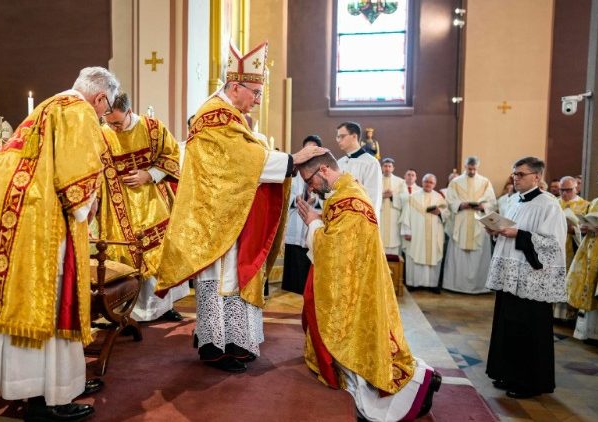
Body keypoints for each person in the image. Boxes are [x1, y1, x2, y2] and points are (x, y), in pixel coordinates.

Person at [0, 67, 120, 421]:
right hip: (40, 221)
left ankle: (58, 382)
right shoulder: (79, 112)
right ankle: (49, 395)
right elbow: (77, 181)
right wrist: (86, 208)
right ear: (101, 98)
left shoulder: (47, 106)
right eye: (105, 111)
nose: (103, 116)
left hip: (7, 215)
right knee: (49, 299)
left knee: (18, 301)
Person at [155, 41, 326, 373]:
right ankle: (214, 346)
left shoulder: (231, 116)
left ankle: (233, 340)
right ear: (235, 86)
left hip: (230, 211)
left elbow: (244, 158)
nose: (258, 100)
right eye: (255, 92)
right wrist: (293, 159)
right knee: (220, 279)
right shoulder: (215, 116)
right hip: (215, 216)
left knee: (233, 278)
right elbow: (240, 161)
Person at [295, 152, 441, 421]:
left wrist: (314, 222)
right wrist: (318, 220)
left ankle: (418, 384)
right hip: (356, 278)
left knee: (357, 340)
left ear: (324, 170)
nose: (310, 188)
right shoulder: (344, 192)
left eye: (310, 180)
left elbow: (335, 250)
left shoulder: (349, 200)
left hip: (357, 286)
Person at [99, 92, 188, 322]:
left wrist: (149, 174)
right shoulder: (102, 135)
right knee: (126, 256)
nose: (114, 129)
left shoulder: (153, 128)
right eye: (109, 123)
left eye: (117, 123)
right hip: (119, 205)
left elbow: (172, 156)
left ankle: (163, 306)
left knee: (159, 253)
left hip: (152, 199)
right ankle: (131, 311)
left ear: (129, 112)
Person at [485, 157, 567, 399]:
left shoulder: (549, 205)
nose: (515, 178)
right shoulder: (512, 201)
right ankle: (507, 373)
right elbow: (507, 233)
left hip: (531, 279)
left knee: (527, 331)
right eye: (514, 174)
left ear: (537, 177)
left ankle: (529, 382)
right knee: (506, 327)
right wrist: (496, 232)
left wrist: (519, 234)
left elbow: (553, 245)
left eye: (520, 174)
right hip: (510, 277)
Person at [566, 169, 598, 342]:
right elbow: (586, 225)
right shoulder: (595, 202)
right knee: (589, 288)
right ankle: (589, 333)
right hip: (591, 251)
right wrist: (583, 228)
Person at [442, 156, 496, 294]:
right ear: (465, 166)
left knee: (478, 254)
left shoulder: (485, 182)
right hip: (462, 222)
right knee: (459, 254)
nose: (472, 171)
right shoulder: (455, 182)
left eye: (474, 169)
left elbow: (492, 202)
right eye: (469, 168)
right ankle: (455, 285)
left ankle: (479, 287)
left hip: (478, 222)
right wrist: (461, 205)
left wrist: (483, 206)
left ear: (478, 167)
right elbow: (449, 200)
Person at [282, 135, 324, 294]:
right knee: (294, 255)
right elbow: (287, 192)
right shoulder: (295, 169)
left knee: (310, 251)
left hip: (313, 215)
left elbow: (327, 193)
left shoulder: (323, 169)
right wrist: (296, 199)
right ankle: (292, 287)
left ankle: (308, 289)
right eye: (306, 148)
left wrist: (315, 199)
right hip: (296, 215)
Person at [401, 174, 449, 292]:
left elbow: (447, 214)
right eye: (426, 181)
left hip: (434, 233)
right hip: (417, 234)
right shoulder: (412, 197)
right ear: (422, 182)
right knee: (415, 253)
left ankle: (431, 285)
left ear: (435, 184)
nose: (428, 184)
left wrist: (440, 213)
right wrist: (407, 231)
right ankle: (414, 283)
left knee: (433, 255)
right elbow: (405, 215)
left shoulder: (439, 198)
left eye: (431, 182)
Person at [554, 176, 590, 320]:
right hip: (555, 248)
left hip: (574, 249)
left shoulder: (586, 205)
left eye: (568, 190)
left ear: (577, 189)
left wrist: (575, 230)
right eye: (562, 190)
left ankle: (570, 315)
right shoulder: (554, 203)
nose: (564, 194)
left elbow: (587, 228)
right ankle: (555, 314)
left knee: (570, 279)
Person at [335, 121, 382, 217]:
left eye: (342, 136)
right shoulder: (339, 163)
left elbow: (373, 196)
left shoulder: (371, 163)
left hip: (361, 218)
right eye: (337, 137)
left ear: (354, 136)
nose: (338, 140)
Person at [379, 158, 406, 256]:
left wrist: (392, 196)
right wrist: (381, 196)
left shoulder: (400, 182)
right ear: (382, 167)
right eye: (385, 166)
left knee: (393, 239)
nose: (387, 168)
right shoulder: (376, 180)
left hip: (394, 216)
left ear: (393, 168)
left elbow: (405, 199)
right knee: (380, 242)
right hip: (380, 215)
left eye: (389, 166)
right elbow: (370, 195)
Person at [399, 169, 422, 254]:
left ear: (416, 178)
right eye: (408, 175)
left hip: (414, 221)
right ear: (404, 176)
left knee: (411, 249)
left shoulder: (420, 190)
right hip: (400, 219)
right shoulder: (398, 189)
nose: (410, 177)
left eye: (413, 175)